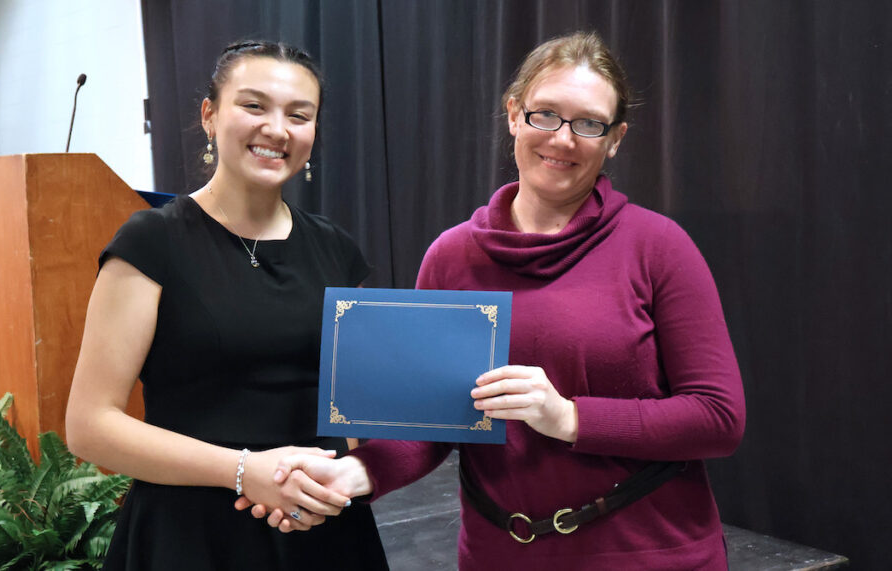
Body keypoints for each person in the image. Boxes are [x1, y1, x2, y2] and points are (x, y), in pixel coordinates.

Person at [245, 30, 745, 570]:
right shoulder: (452, 256)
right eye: (545, 114)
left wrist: (571, 418)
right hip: (499, 554)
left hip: (649, 555)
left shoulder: (657, 247)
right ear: (513, 114)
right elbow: (430, 426)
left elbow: (719, 417)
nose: (562, 138)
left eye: (589, 124)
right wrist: (359, 472)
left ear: (615, 137)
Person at [65, 40, 389, 570]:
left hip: (320, 527)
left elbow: (355, 407)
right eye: (254, 106)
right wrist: (244, 470)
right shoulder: (152, 242)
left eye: (299, 115)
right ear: (210, 115)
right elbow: (89, 425)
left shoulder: (337, 248)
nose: (277, 129)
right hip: (192, 532)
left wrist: (329, 480)